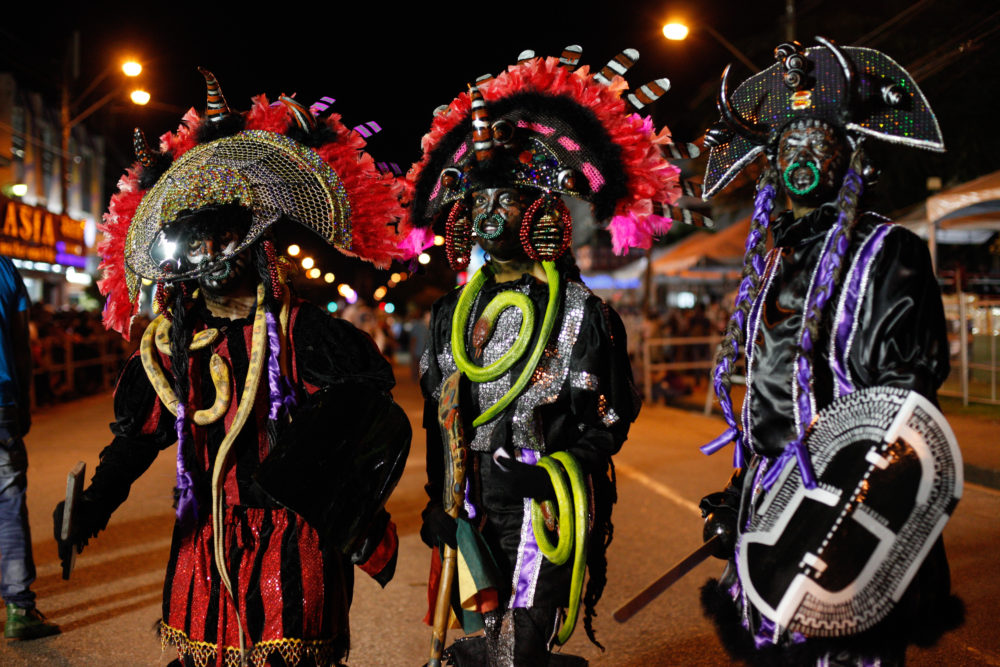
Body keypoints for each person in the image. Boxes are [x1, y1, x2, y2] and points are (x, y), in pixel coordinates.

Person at [52, 70, 411, 666]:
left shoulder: (306, 334)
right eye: (193, 251)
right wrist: (93, 504)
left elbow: (363, 422)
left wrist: (345, 502)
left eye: (219, 243)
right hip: (205, 533)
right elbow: (138, 439)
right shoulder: (175, 346)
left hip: (292, 538)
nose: (210, 262)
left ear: (251, 244)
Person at [405, 46, 681, 665]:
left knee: (520, 651)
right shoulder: (451, 315)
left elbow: (610, 419)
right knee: (481, 638)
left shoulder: (583, 312)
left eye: (504, 202)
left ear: (540, 212)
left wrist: (556, 474)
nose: (487, 216)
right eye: (478, 204)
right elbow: (439, 417)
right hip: (471, 500)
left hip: (544, 506)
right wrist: (437, 498)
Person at [697, 38, 963, 665]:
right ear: (767, 165)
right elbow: (771, 399)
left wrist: (839, 502)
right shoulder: (775, 258)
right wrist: (742, 490)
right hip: (775, 503)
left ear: (852, 159)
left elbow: (902, 402)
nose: (803, 156)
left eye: (821, 143)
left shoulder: (888, 252)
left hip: (853, 507)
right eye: (789, 145)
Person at [0, 256, 60, 640]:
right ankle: (19, 610)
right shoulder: (5, 269)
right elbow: (22, 345)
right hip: (2, 402)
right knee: (7, 501)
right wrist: (23, 403)